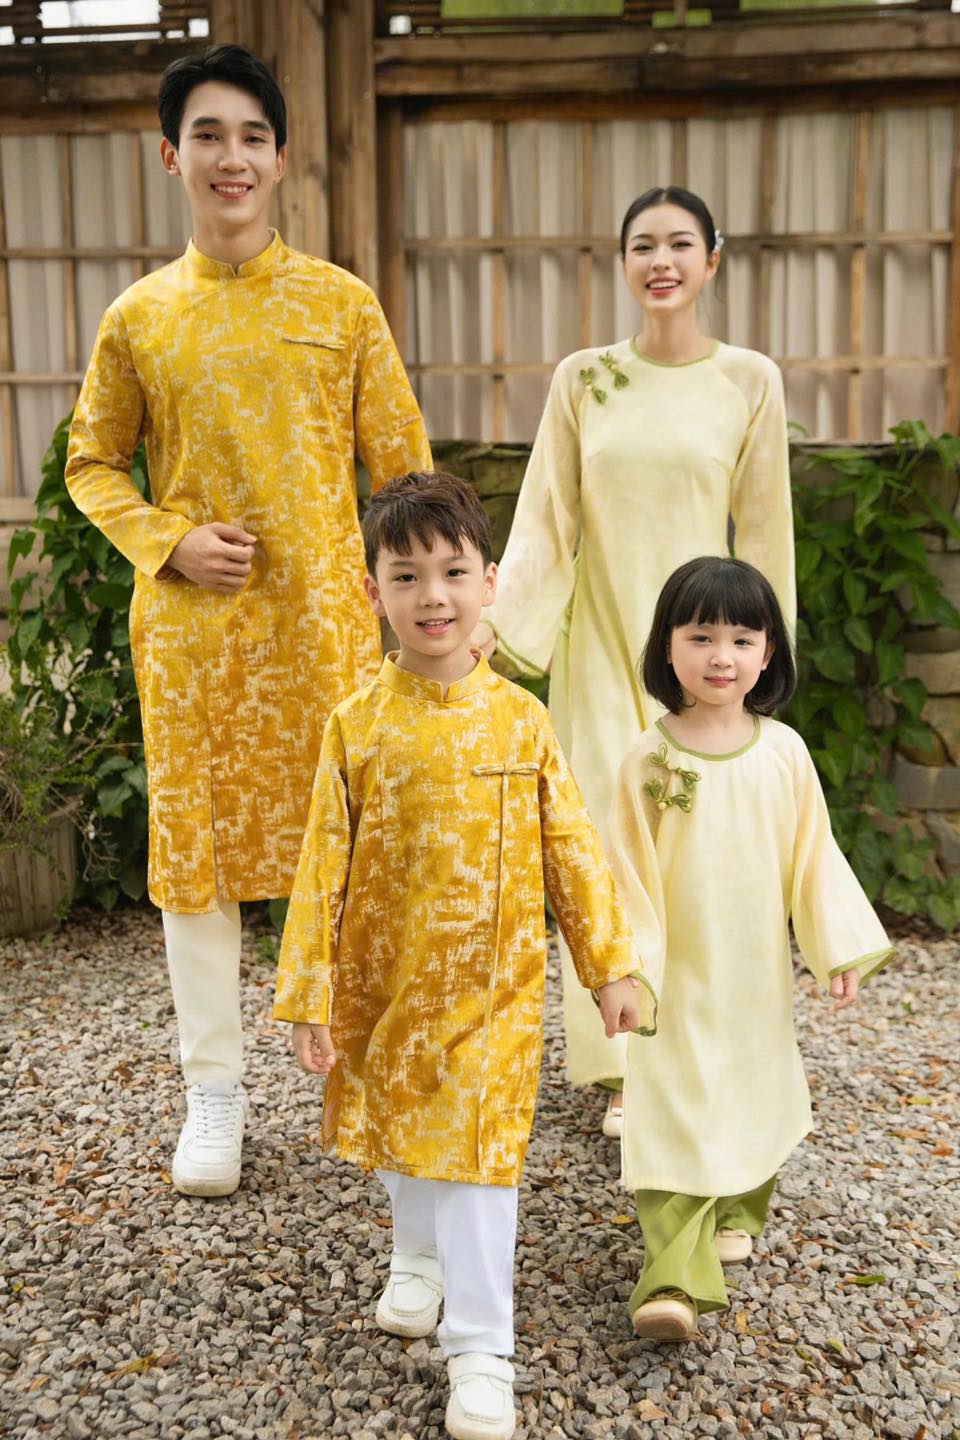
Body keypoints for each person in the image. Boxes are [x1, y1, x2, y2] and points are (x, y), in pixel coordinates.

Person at [65, 45, 431, 1197]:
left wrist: (421, 605)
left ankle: (369, 1076)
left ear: (280, 159)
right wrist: (166, 538)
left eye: (253, 138)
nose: (232, 157)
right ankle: (213, 1094)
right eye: (208, 136)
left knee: (357, 850)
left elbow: (404, 471)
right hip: (195, 638)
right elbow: (91, 464)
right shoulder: (139, 318)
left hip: (327, 632)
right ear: (170, 156)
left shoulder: (341, 304)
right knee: (200, 863)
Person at [274, 471, 656, 1440]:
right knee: (403, 1131)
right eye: (406, 577)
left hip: (496, 991)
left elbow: (572, 848)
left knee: (482, 1159)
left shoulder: (522, 722)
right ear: (374, 593)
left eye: (453, 572)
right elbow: (321, 865)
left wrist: (609, 964)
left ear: (489, 583)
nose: (432, 596)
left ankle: (482, 1350)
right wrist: (310, 989)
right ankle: (416, 1253)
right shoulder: (356, 725)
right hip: (387, 982)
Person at [477, 186, 796, 1137]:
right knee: (604, 852)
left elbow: (765, 530)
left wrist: (758, 661)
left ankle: (688, 1051)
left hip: (703, 653)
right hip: (600, 643)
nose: (661, 261)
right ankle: (625, 1066)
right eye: (643, 245)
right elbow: (547, 516)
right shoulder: (585, 379)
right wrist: (496, 624)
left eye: (680, 244)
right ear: (623, 264)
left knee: (693, 854)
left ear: (712, 260)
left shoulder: (749, 380)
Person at [606, 556, 894, 1342]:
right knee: (675, 1105)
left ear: (769, 653)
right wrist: (626, 969)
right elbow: (624, 873)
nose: (721, 656)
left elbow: (813, 858)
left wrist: (836, 947)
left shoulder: (784, 754)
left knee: (753, 1088)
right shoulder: (648, 759)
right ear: (667, 647)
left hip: (753, 975)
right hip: (676, 974)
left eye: (742, 638)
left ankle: (739, 1207)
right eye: (701, 636)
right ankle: (673, 1278)